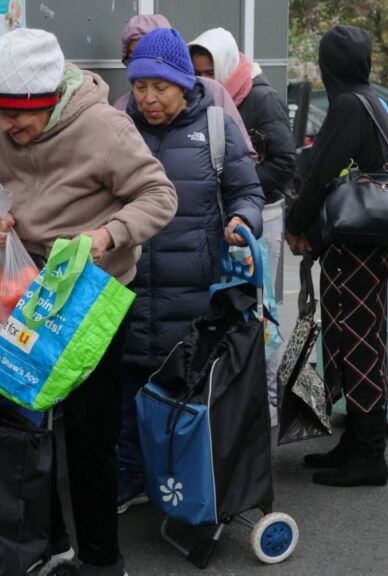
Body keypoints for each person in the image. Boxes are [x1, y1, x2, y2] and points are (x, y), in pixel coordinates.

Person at [0, 28, 177, 575]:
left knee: (89, 436)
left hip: (93, 295)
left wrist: (106, 236)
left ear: (48, 99)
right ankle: (50, 542)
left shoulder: (104, 127)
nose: (8, 127)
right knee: (24, 424)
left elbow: (160, 195)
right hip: (25, 290)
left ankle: (103, 561)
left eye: (18, 116)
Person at [116, 28, 265, 514]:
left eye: (160, 87)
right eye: (140, 86)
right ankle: (131, 478)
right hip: (128, 287)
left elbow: (248, 190)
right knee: (127, 393)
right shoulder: (117, 127)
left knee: (184, 392)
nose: (149, 98)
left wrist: (243, 219)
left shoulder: (217, 128)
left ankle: (183, 483)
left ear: (184, 83)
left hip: (194, 294)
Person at [284, 25, 388, 488]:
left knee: (359, 340)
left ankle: (369, 455)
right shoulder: (372, 99)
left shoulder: (348, 105)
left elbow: (321, 172)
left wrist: (295, 225)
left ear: (328, 66)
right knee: (360, 335)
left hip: (356, 244)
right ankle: (357, 444)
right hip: (371, 240)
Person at [187, 27, 295, 425]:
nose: (203, 81)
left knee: (261, 310)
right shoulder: (203, 100)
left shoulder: (259, 97)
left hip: (258, 219)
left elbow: (285, 163)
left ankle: (267, 404)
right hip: (225, 219)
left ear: (227, 65)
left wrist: (238, 189)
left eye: (209, 71)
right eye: (196, 71)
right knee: (230, 309)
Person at [112, 15, 254, 155]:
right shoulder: (121, 110)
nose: (149, 98)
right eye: (134, 55)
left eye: (160, 87)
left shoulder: (212, 92)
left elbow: (241, 158)